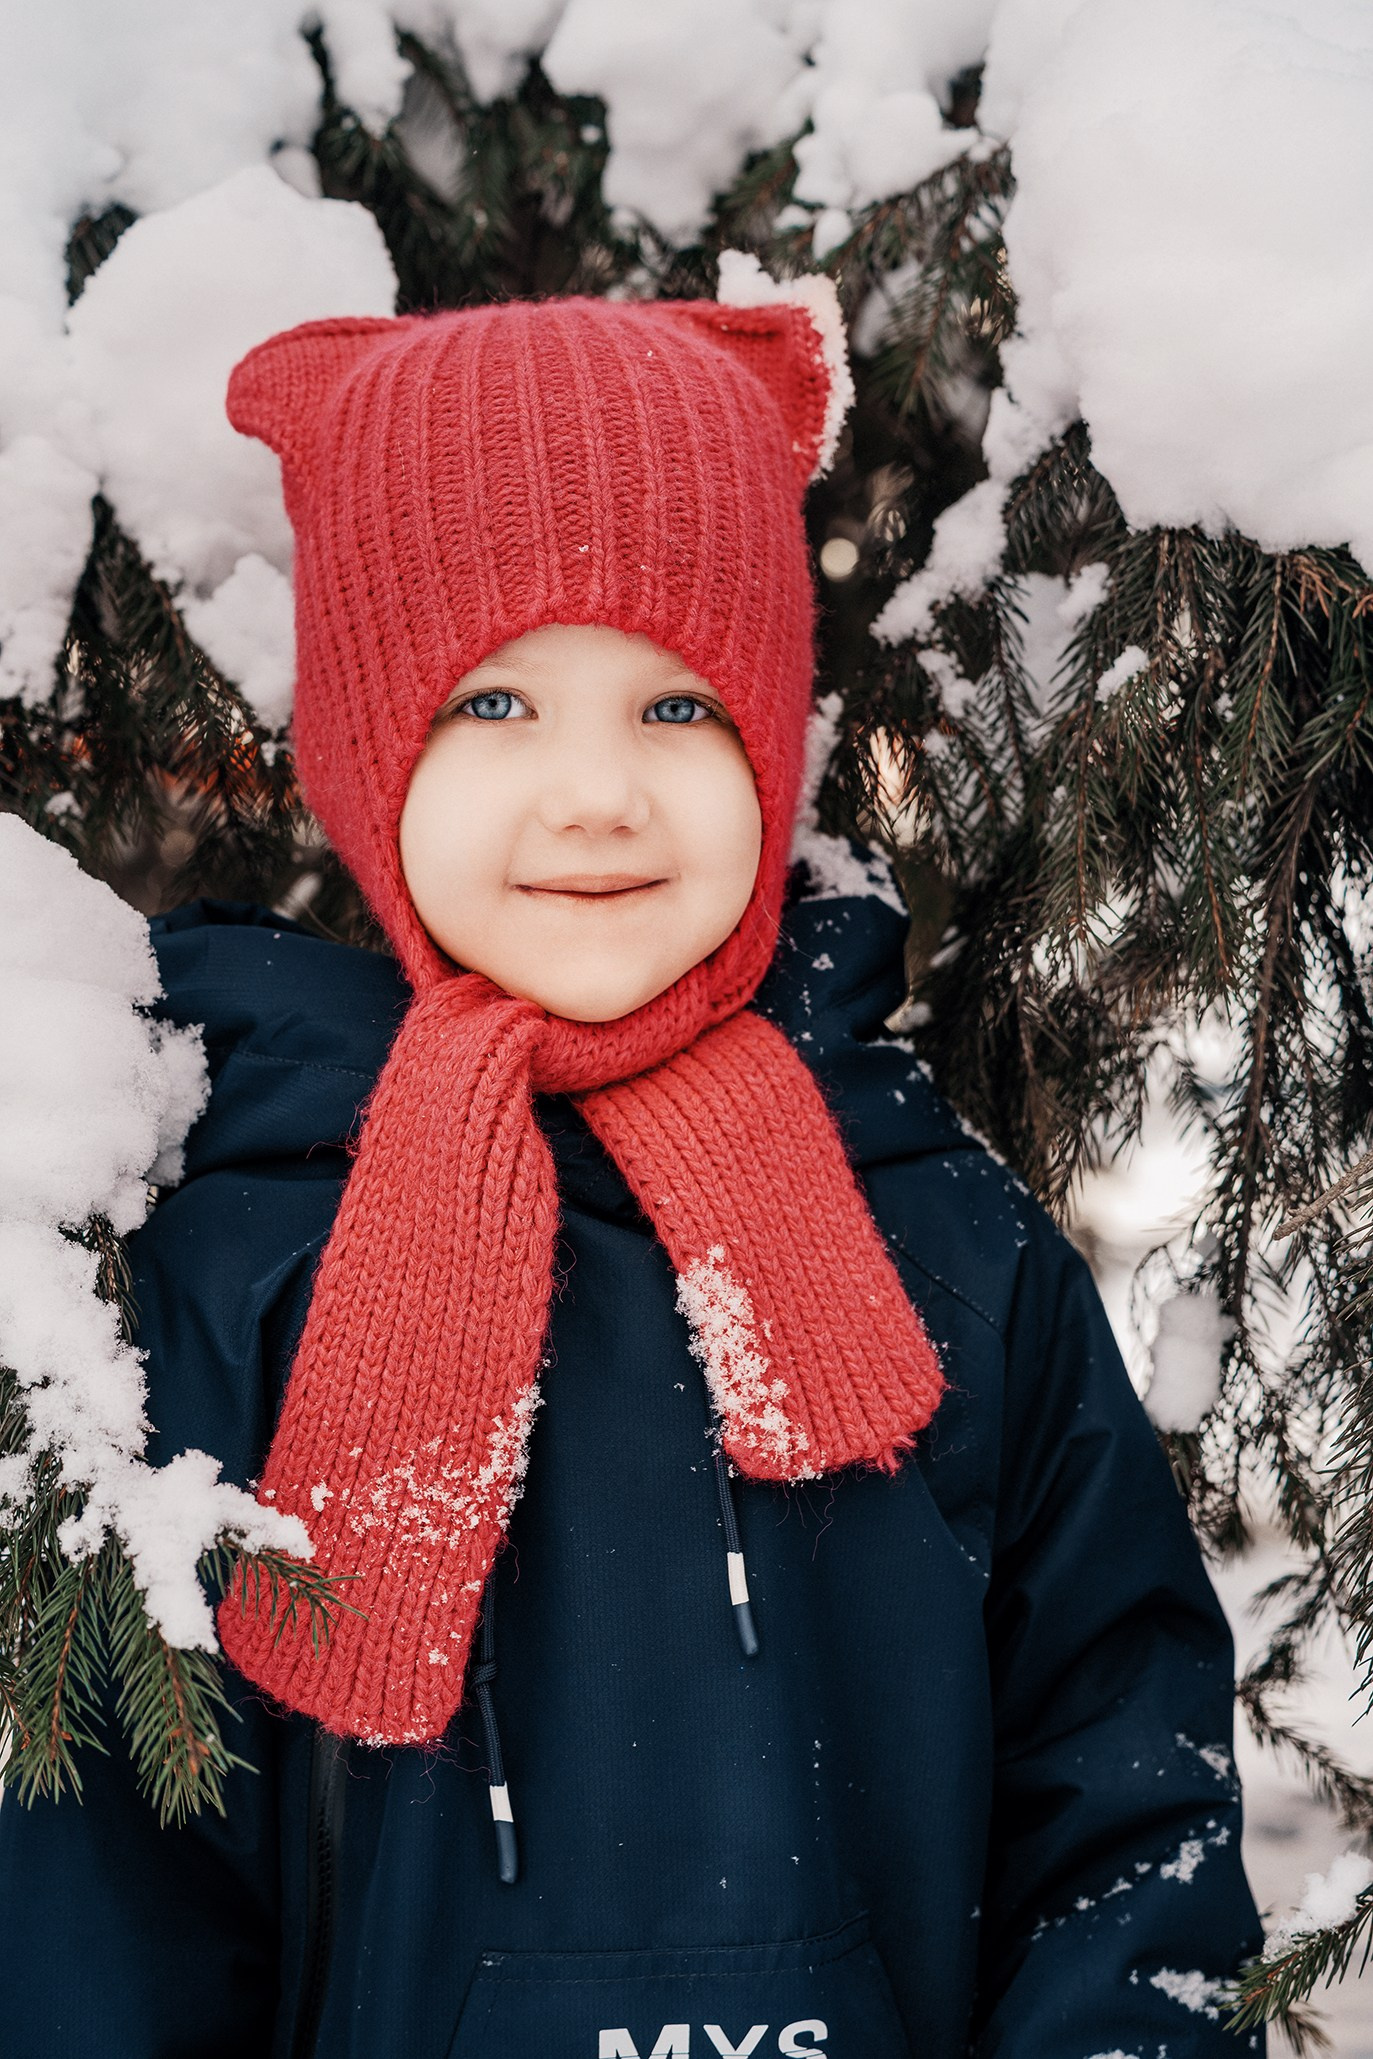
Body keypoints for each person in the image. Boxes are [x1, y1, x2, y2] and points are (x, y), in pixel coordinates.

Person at [0, 270, 1264, 2058]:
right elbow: (102, 1905)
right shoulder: (233, 1263)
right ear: (366, 753)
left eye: (676, 709)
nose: (596, 793)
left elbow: (1117, 1796)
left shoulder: (945, 1243)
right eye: (493, 708)